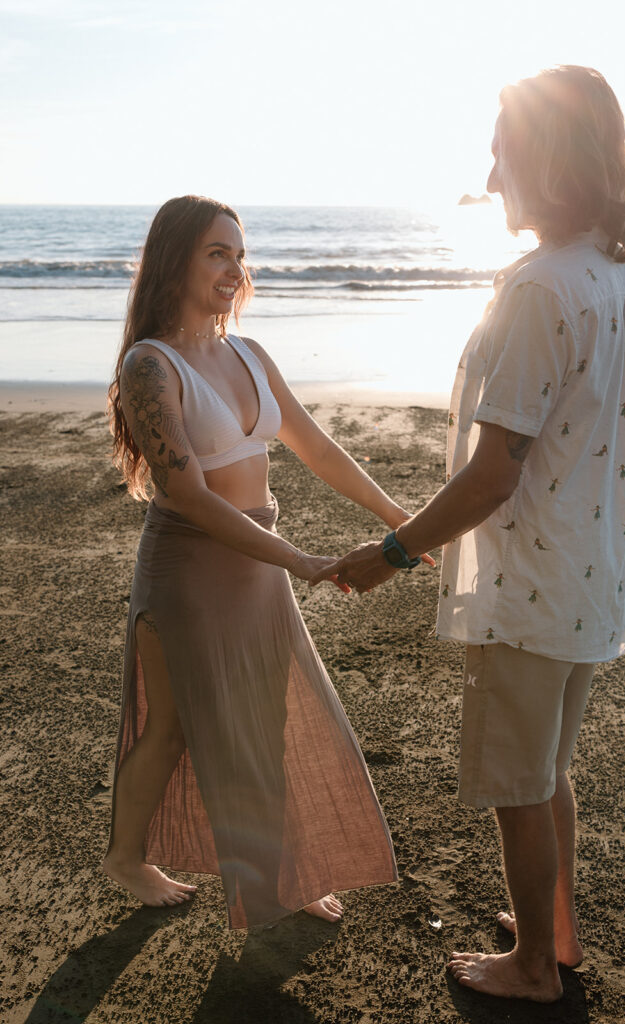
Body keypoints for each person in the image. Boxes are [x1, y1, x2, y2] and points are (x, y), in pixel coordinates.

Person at [313, 66, 625, 1000]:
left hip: (536, 577)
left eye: (502, 147)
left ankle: (534, 969)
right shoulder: (624, 279)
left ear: (543, 157)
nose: (491, 168)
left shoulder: (540, 289)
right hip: (594, 571)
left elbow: (493, 470)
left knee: (518, 779)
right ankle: (555, 929)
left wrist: (390, 553)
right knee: (547, 766)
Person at [103, 195, 428, 929]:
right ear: (175, 260)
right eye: (217, 253)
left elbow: (317, 448)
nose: (234, 269)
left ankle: (283, 872)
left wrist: (396, 516)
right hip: (189, 572)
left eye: (239, 255)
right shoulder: (149, 365)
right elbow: (185, 495)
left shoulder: (250, 353)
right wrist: (302, 560)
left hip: (256, 566)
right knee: (176, 728)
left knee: (269, 718)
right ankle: (126, 857)